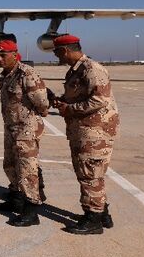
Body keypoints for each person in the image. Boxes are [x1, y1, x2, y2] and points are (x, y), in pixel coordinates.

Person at [50, 34, 119, 235]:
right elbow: (80, 96)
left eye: (56, 52)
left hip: (95, 132)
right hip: (85, 130)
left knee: (90, 175)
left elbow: (99, 100)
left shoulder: (91, 69)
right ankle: (102, 213)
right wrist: (62, 101)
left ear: (65, 51)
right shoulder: (77, 70)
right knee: (91, 173)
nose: (56, 56)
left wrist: (69, 109)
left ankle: (93, 220)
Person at [0, 39, 50, 226]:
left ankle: (31, 210)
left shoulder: (26, 74)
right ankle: (16, 199)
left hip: (26, 129)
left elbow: (42, 103)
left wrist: (30, 119)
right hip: (11, 128)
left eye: (3, 55)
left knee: (27, 169)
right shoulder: (6, 75)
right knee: (10, 165)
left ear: (14, 54)